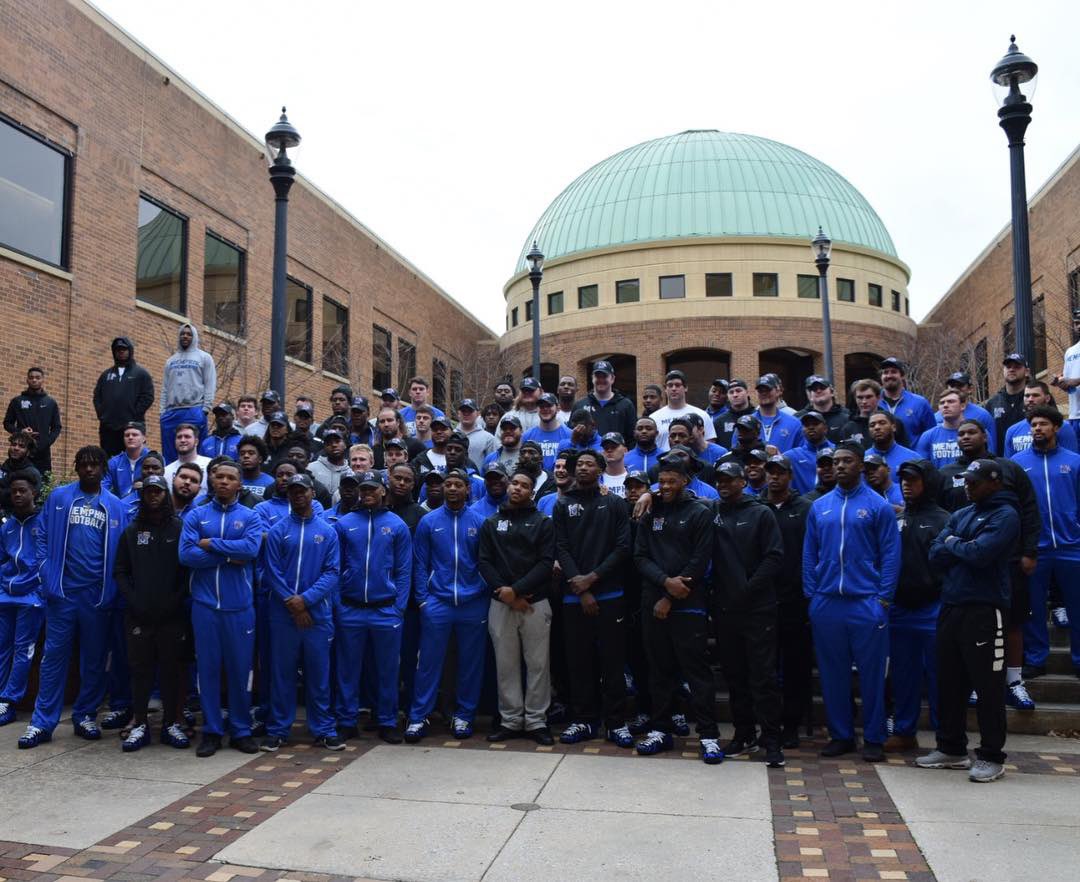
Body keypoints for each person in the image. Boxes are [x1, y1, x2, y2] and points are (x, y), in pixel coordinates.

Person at [18, 446, 128, 748]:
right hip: (62, 594)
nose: (89, 469)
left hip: (97, 597)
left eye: (95, 464)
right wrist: (45, 570)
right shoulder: (59, 497)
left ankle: (85, 715)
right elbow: (41, 534)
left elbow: (123, 552)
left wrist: (111, 589)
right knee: (53, 658)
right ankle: (42, 723)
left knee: (94, 660)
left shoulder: (116, 506)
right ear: (77, 467)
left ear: (104, 469)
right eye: (84, 464)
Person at [918, 459, 1019, 783]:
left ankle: (991, 756)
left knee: (988, 686)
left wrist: (953, 543)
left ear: (994, 482)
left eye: (974, 482)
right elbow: (935, 554)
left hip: (985, 609)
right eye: (966, 481)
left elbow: (981, 555)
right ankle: (951, 748)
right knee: (949, 681)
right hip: (952, 605)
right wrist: (960, 545)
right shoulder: (962, 513)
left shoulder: (1006, 515)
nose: (967, 486)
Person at [802, 441, 900, 762]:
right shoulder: (819, 506)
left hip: (866, 601)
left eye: (847, 461)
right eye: (836, 462)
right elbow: (810, 553)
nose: (840, 466)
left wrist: (883, 599)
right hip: (827, 602)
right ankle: (841, 735)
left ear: (860, 465)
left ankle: (873, 737)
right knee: (833, 674)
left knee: (872, 675)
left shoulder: (878, 506)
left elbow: (890, 555)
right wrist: (812, 594)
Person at [939, 418, 1041, 707]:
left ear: (985, 436)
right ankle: (977, 681)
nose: (965, 437)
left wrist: (1030, 551)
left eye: (972, 432)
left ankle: (1014, 681)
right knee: (973, 627)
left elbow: (1030, 508)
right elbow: (940, 517)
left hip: (1007, 559)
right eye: (960, 433)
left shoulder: (1009, 468)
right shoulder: (947, 473)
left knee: (1013, 620)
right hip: (963, 565)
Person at [632, 457, 720, 763]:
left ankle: (708, 735)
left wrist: (670, 595)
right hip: (652, 602)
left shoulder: (700, 512)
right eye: (662, 482)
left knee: (697, 673)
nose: (666, 486)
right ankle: (661, 729)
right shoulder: (651, 510)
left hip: (688, 603)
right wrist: (665, 583)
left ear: (685, 481)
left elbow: (701, 559)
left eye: (672, 481)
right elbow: (640, 556)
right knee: (659, 671)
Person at [179, 460, 261, 757]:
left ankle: (241, 730)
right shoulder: (196, 515)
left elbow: (251, 550)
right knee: (208, 670)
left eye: (230, 478)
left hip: (240, 608)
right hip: (205, 607)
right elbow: (186, 555)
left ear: (239, 485)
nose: (224, 481)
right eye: (219, 477)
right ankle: (212, 731)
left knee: (240, 671)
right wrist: (228, 556)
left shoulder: (250, 516)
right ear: (212, 481)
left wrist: (211, 543)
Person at [552, 449, 632, 746]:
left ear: (601, 469)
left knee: (613, 661)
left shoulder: (614, 503)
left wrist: (593, 578)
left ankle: (616, 723)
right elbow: (561, 547)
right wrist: (581, 587)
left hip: (610, 593)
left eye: (589, 464)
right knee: (579, 662)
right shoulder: (563, 504)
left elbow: (623, 547)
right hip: (574, 596)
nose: (583, 468)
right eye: (580, 465)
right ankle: (584, 720)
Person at [260, 473, 343, 751]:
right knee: (282, 674)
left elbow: (332, 572)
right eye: (293, 491)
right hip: (283, 614)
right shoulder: (277, 531)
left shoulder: (328, 531)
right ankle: (278, 729)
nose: (298, 495)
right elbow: (271, 572)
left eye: (302, 490)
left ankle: (324, 728)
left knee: (319, 674)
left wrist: (305, 601)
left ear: (312, 493)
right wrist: (292, 603)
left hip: (317, 615)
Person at [711, 459, 786, 766]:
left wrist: (747, 589)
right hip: (725, 609)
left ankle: (772, 740)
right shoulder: (711, 511)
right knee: (734, 676)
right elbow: (680, 495)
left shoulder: (761, 513)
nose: (723, 484)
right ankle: (743, 734)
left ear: (743, 482)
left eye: (729, 479)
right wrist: (649, 494)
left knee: (763, 677)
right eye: (719, 480)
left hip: (758, 608)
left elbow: (774, 557)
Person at [405, 469, 488, 742]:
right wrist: (423, 600)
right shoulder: (429, 521)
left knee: (470, 663)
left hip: (473, 602)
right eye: (448, 484)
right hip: (437, 602)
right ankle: (419, 716)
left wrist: (481, 592)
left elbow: (485, 563)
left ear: (468, 489)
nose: (452, 488)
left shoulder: (479, 522)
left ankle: (464, 715)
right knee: (428, 663)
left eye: (457, 485)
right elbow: (420, 563)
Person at [112, 474, 190, 751]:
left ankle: (170, 724)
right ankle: (141, 724)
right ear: (143, 496)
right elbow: (120, 571)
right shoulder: (132, 531)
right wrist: (134, 600)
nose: (153, 496)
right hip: (139, 615)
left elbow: (188, 572)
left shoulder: (180, 528)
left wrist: (175, 601)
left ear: (165, 494)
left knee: (171, 670)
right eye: (149, 492)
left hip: (172, 615)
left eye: (158, 491)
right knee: (140, 671)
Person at [334, 471, 411, 744]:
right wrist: (339, 603)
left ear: (383, 491)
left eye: (372, 488)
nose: (367, 493)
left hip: (385, 610)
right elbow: (335, 567)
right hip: (351, 608)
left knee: (387, 670)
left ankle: (387, 720)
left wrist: (398, 607)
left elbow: (404, 570)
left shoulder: (397, 525)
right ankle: (346, 720)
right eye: (363, 489)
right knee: (347, 669)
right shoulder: (345, 524)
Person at [480, 470, 555, 744]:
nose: (517, 488)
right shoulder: (492, 522)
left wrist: (518, 590)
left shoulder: (543, 522)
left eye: (524, 485)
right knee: (506, 665)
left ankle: (536, 721)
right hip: (501, 603)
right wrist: (507, 594)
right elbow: (484, 561)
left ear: (532, 492)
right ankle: (510, 720)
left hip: (535, 603)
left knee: (538, 665)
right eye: (514, 483)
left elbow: (546, 563)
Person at [1012, 405, 1080, 677]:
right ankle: (1036, 659)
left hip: (1072, 547)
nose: (1037, 429)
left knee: (1077, 606)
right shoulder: (1017, 463)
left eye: (1043, 424)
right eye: (1034, 425)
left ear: (1056, 428)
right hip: (1035, 549)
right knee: (1034, 608)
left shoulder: (1074, 462)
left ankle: (1079, 660)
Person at [887, 460, 949, 752]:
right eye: (903, 480)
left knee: (941, 676)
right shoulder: (896, 519)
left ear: (928, 482)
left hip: (933, 607)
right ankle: (904, 731)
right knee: (903, 675)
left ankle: (945, 737)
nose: (906, 484)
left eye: (913, 479)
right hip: (899, 608)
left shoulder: (944, 519)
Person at [763, 455, 814, 747]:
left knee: (796, 667)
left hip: (796, 599)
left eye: (780, 472)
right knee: (764, 667)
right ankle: (768, 723)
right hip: (763, 599)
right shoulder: (756, 507)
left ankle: (792, 724)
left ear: (790, 476)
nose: (774, 477)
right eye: (770, 472)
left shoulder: (805, 508)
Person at [0, 471, 44, 727]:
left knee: (22, 650)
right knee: (2, 647)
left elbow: (49, 558)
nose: (17, 494)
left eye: (22, 490)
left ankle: (10, 701)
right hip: (5, 595)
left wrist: (41, 589)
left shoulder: (44, 522)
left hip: (32, 597)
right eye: (14, 491)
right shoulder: (6, 526)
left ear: (34, 492)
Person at [159, 323, 216, 462]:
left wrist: (205, 409)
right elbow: (165, 388)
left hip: (194, 410)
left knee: (195, 453)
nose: (185, 336)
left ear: (194, 336)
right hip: (171, 412)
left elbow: (210, 383)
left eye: (189, 334)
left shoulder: (204, 357)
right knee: (170, 455)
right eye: (182, 334)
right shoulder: (170, 361)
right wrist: (162, 412)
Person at [93, 337, 154, 456]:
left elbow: (148, 396)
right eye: (118, 349)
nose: (121, 352)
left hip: (132, 427)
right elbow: (97, 397)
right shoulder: (105, 375)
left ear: (130, 350)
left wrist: (134, 415)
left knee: (133, 458)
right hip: (108, 429)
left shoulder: (141, 374)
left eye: (124, 349)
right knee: (109, 461)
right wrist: (103, 415)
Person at [4, 367, 61, 475]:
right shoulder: (17, 401)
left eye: (37, 378)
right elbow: (7, 423)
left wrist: (46, 442)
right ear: (27, 380)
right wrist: (20, 432)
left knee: (43, 482)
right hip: (22, 451)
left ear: (42, 380)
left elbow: (57, 427)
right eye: (31, 377)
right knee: (18, 480)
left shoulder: (50, 403)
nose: (34, 380)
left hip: (43, 453)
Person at [1004, 381, 1079, 456]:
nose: (1030, 399)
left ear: (1047, 398)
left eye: (1035, 395)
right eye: (1027, 396)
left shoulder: (1062, 427)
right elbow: (1009, 462)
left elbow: (1072, 459)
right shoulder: (1012, 431)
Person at [571, 360, 637, 441]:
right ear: (592, 378)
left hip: (616, 449)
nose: (601, 380)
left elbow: (632, 438)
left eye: (604, 376)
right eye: (598, 376)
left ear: (612, 379)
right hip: (587, 449)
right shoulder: (580, 405)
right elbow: (571, 433)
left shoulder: (625, 405)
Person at [650, 370, 716, 450]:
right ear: (665, 389)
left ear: (685, 388)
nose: (673, 389)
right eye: (670, 385)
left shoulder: (701, 415)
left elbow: (710, 447)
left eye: (677, 385)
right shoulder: (654, 418)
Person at [877, 357, 935, 442]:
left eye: (893, 372)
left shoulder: (920, 403)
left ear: (902, 376)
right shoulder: (874, 402)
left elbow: (932, 436)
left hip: (911, 451)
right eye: (885, 372)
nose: (889, 376)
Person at [841, 379, 911, 448]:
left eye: (868, 397)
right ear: (855, 399)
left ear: (878, 397)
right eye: (860, 397)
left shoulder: (893, 422)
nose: (864, 401)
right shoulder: (848, 427)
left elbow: (905, 450)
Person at [937, 372, 996, 451]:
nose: (955, 389)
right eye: (952, 386)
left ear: (970, 389)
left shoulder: (982, 415)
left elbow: (992, 448)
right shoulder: (937, 417)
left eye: (960, 385)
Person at [985, 353, 1030, 454]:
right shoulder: (992, 403)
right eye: (1008, 367)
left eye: (1017, 367)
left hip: (1029, 459)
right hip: (1000, 460)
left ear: (1027, 372)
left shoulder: (1035, 398)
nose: (1011, 369)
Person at [915, 389, 965, 468]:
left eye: (951, 401)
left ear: (962, 406)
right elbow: (921, 467)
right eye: (942, 403)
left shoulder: (974, 432)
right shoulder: (928, 436)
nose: (945, 405)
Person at [788, 412, 834, 496]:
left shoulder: (837, 452)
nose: (811, 427)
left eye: (815, 424)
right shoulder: (791, 456)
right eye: (806, 425)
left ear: (825, 428)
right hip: (803, 502)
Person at [1050, 308, 1080, 435]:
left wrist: (1073, 381)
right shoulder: (1070, 352)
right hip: (1074, 416)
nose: (1079, 326)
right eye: (1077, 323)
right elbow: (1069, 387)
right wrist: (1060, 382)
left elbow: (1072, 382)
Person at [523, 393, 572, 471]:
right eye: (541, 406)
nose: (545, 409)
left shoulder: (569, 434)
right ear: (537, 409)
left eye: (549, 405)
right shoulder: (527, 436)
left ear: (558, 408)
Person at [754, 375, 802, 452]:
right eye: (760, 391)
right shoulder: (746, 423)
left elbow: (803, 453)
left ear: (778, 391)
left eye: (768, 390)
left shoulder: (794, 423)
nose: (764, 393)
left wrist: (784, 458)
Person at [867, 411, 919, 482]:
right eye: (872, 425)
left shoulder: (913, 458)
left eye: (882, 423)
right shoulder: (863, 459)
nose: (877, 427)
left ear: (893, 427)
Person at [103, 422, 150, 499]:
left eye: (135, 435)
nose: (130, 437)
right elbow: (103, 487)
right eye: (127, 435)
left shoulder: (154, 459)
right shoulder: (114, 462)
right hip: (120, 504)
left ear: (144, 438)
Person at [796, 375, 849, 441]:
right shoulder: (798, 418)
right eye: (814, 389)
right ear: (810, 395)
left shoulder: (848, 416)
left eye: (822, 387)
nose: (818, 391)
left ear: (832, 392)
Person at [0, 434, 43, 514]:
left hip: (18, 517)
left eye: (21, 446)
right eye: (14, 444)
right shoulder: (3, 467)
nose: (16, 448)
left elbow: (29, 498)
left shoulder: (32, 472)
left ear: (28, 452)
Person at [163, 424, 211, 491]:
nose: (182, 440)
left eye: (187, 437)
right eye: (179, 437)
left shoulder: (209, 466)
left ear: (196, 442)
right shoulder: (166, 472)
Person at [308, 427, 351, 499]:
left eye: (337, 441)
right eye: (329, 443)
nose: (334, 445)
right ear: (324, 447)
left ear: (345, 445)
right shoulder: (311, 468)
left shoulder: (351, 472)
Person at [457, 398, 498, 467]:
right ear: (458, 413)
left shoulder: (488, 438)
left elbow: (491, 465)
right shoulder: (450, 435)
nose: (466, 413)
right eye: (463, 411)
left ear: (478, 413)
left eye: (470, 411)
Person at [715, 380, 756, 448]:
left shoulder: (757, 417)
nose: (735, 395)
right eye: (731, 392)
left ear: (747, 393)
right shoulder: (719, 422)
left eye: (738, 391)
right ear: (727, 396)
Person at [236, 436, 274, 501]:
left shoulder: (270, 482)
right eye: (242, 454)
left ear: (260, 459)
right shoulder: (233, 480)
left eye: (251, 453)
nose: (246, 456)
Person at [600, 433, 631, 497]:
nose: (609, 450)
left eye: (614, 447)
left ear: (625, 450)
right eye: (606, 448)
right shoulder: (596, 479)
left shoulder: (633, 475)